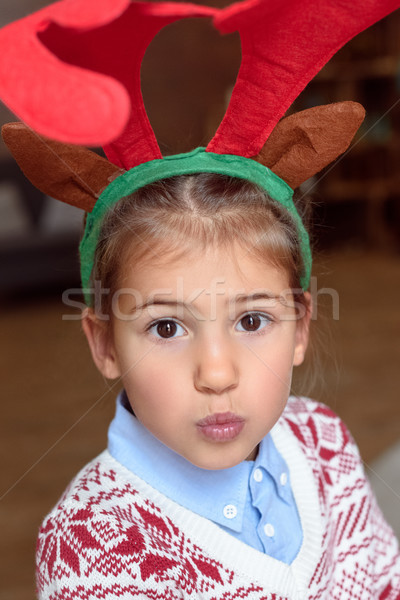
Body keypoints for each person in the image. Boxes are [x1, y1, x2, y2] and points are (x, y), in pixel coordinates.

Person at [0, 0, 399, 598]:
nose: (217, 373)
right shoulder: (91, 548)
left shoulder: (323, 440)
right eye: (167, 328)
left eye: (254, 319)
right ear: (105, 343)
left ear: (300, 327)